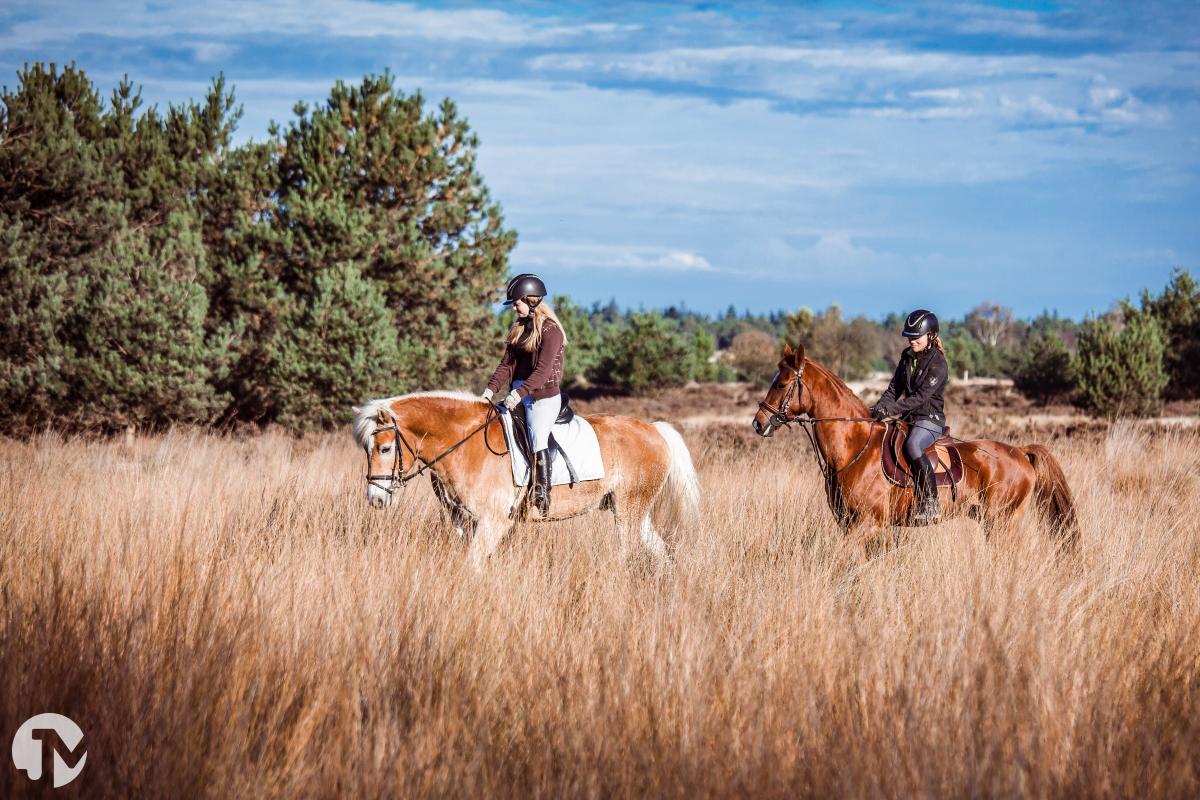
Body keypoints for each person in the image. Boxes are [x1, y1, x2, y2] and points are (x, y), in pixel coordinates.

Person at [481, 273, 568, 516]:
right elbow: (506, 365)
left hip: (543, 397)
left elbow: (542, 372)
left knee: (537, 434)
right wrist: (489, 391)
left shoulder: (552, 331)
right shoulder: (519, 328)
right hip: (517, 394)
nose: (514, 308)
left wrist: (519, 394)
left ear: (532, 300)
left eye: (517, 303)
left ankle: (541, 492)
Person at [870, 309, 948, 523]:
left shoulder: (938, 363)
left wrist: (892, 410)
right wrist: (878, 408)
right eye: (909, 337)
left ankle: (931, 502)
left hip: (929, 419)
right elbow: (893, 389)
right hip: (908, 419)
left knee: (913, 446)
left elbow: (920, 398)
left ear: (930, 336)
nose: (911, 341)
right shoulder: (907, 357)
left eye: (916, 337)